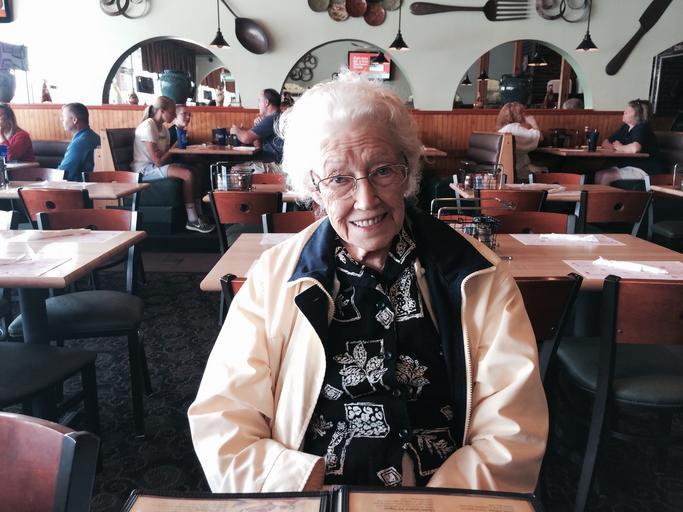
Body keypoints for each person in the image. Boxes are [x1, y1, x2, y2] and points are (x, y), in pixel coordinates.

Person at [189, 72, 547, 493]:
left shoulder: (477, 274)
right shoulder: (274, 278)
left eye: (382, 171)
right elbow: (223, 422)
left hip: (445, 497)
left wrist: (439, 505)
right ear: (314, 189)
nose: (366, 199)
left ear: (407, 172)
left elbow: (513, 431)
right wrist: (303, 488)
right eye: (339, 178)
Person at [131, 95, 214, 234]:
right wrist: (174, 148)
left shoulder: (163, 129)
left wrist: (173, 151)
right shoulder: (148, 127)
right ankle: (192, 219)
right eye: (172, 112)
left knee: (195, 171)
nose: (174, 115)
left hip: (155, 166)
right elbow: (158, 161)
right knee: (187, 174)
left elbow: (163, 158)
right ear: (162, 111)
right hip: (144, 170)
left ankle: (199, 213)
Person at [595, 99, 662, 184]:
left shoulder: (643, 128)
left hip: (645, 169)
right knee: (598, 174)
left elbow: (635, 148)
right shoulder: (625, 128)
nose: (624, 112)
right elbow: (605, 143)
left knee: (606, 176)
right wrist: (616, 148)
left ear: (638, 115)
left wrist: (620, 147)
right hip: (629, 166)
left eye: (628, 111)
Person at [229, 88, 284, 163]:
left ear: (266, 102)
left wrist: (236, 130)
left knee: (236, 167)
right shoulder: (276, 116)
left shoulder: (272, 118)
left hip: (275, 164)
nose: (258, 105)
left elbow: (246, 138)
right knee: (239, 164)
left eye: (259, 101)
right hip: (270, 161)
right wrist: (257, 128)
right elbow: (258, 146)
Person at [496, 102, 541, 182]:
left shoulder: (504, 129)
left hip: (505, 170)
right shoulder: (515, 129)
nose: (524, 115)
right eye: (522, 113)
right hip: (519, 172)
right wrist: (534, 123)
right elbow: (539, 137)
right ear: (518, 115)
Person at [58, 103, 101, 181]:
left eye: (64, 117)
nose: (61, 120)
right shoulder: (95, 137)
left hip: (79, 187)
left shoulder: (79, 144)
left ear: (74, 120)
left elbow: (63, 174)